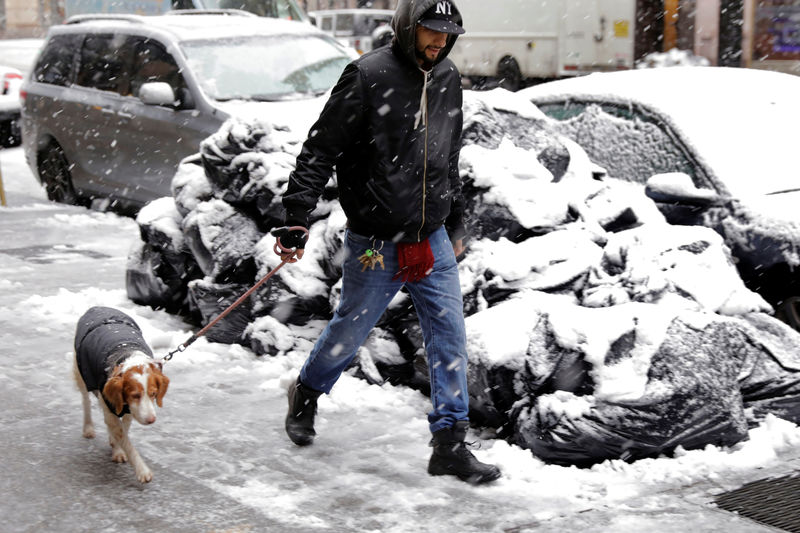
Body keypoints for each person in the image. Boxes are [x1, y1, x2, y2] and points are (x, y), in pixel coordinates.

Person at [274, 0, 501, 485]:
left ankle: (450, 444)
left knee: (449, 336)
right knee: (350, 331)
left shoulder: (447, 79)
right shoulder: (367, 76)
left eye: (448, 34)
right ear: (407, 28)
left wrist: (453, 220)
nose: (439, 42)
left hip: (430, 236)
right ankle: (307, 391)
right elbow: (319, 150)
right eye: (430, 32)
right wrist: (296, 217)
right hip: (376, 239)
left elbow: (447, 156)